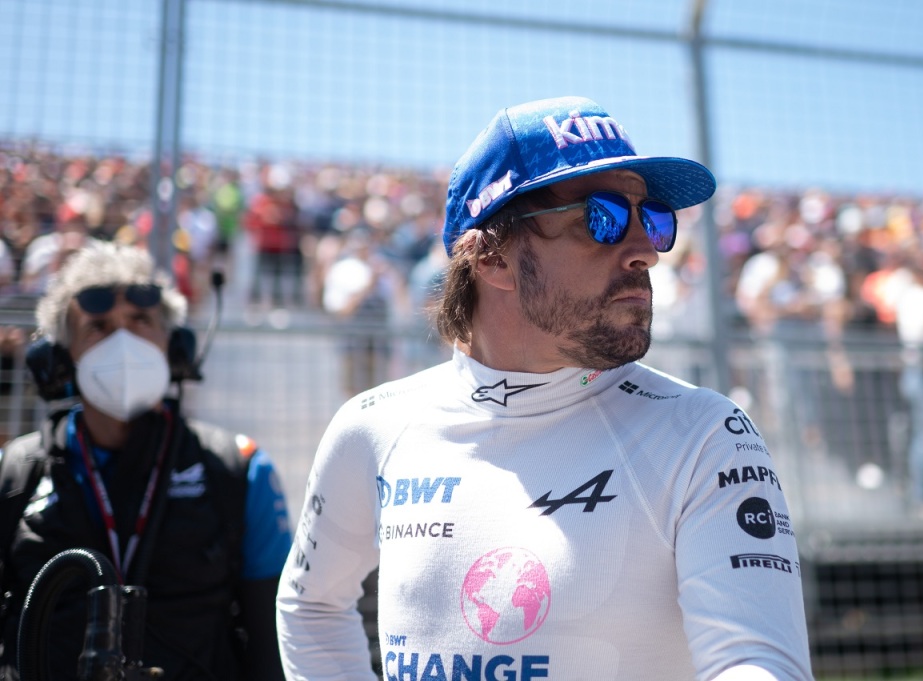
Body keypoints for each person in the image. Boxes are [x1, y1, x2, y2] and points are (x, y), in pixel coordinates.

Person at [277, 96, 813, 681]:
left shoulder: (705, 434)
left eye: (654, 219)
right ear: (492, 258)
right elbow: (311, 606)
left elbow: (756, 663)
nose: (645, 252)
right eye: (601, 219)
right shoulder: (373, 428)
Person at [0, 241, 292, 680]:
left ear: (175, 347)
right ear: (60, 361)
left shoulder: (241, 470)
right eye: (98, 327)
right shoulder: (14, 473)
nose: (123, 341)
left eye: (140, 320)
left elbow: (274, 647)